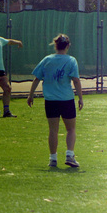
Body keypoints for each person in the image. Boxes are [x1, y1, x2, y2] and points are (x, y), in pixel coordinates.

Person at [27, 34, 84, 169]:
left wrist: (31, 95)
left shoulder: (47, 60)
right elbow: (76, 80)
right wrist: (81, 98)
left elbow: (37, 78)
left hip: (51, 101)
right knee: (71, 129)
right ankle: (70, 155)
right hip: (66, 100)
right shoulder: (71, 60)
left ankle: (53, 159)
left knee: (53, 130)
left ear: (55, 45)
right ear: (68, 46)